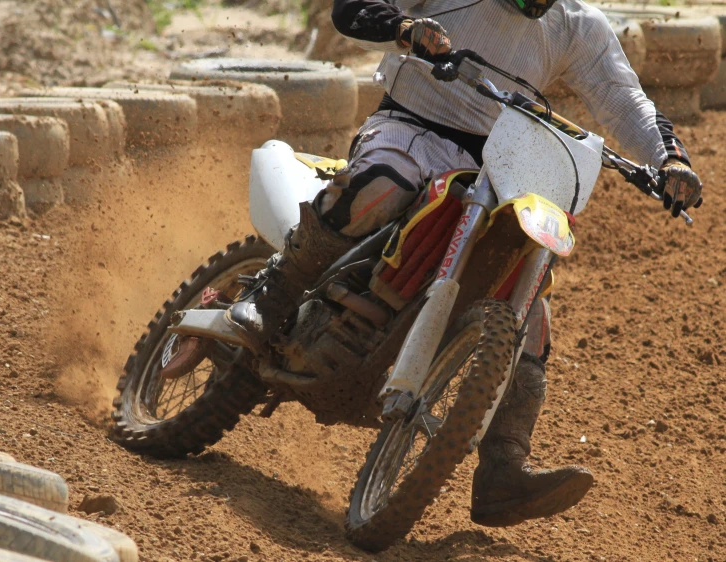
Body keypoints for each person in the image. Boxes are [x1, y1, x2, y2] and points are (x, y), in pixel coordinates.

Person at [225, 0, 703, 527]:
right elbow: (352, 8)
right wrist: (406, 28)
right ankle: (269, 296)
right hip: (411, 128)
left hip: (498, 165)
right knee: (383, 187)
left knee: (529, 298)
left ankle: (503, 466)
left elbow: (623, 97)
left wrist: (669, 161)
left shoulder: (577, 24)